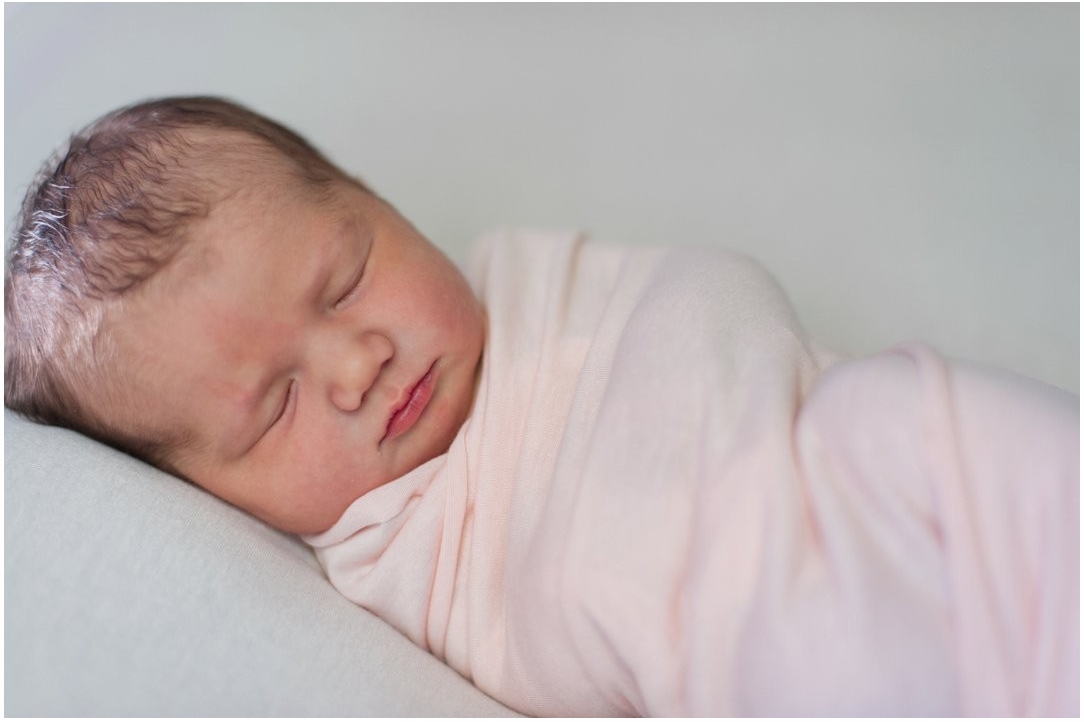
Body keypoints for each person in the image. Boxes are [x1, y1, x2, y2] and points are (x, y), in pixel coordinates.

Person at [6, 96, 1077, 716]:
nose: (358, 362)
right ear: (215, 494)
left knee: (902, 419)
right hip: (741, 651)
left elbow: (705, 308)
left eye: (346, 278)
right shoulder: (383, 557)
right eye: (274, 406)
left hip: (855, 475)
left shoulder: (538, 290)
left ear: (380, 200)